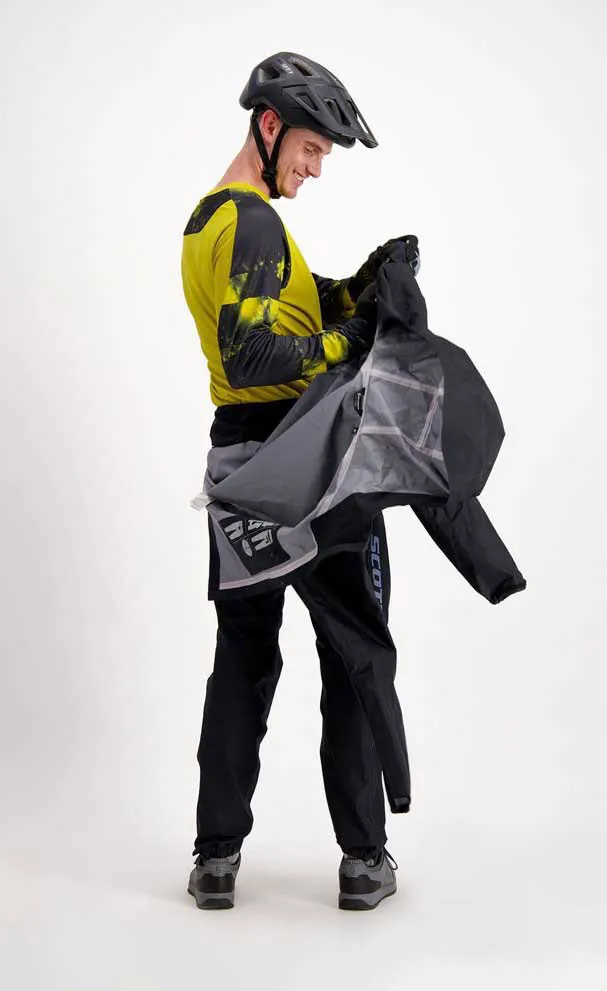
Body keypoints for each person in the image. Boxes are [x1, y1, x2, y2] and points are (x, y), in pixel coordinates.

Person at [180, 51, 416, 910]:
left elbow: (296, 306)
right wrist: (349, 344)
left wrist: (364, 284)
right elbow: (253, 354)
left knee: (242, 657)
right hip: (305, 457)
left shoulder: (213, 221)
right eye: (313, 148)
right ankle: (363, 859)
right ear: (270, 126)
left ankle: (215, 858)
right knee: (352, 652)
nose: (317, 169)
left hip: (238, 462)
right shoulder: (253, 224)